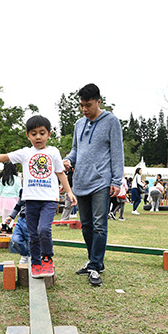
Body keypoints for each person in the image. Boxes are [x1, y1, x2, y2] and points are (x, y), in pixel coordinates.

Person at [0, 115, 76, 278]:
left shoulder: (53, 152)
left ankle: (47, 258)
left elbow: (60, 173)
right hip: (30, 200)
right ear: (28, 136)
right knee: (32, 234)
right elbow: (6, 157)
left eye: (42, 133)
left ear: (49, 134)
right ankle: (36, 262)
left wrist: (69, 192)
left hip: (49, 200)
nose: (38, 137)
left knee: (43, 229)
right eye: (33, 133)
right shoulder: (25, 153)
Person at [64, 83, 124, 287]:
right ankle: (94, 261)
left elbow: (117, 153)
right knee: (87, 224)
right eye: (81, 105)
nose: (84, 109)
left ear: (99, 102)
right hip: (80, 180)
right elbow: (75, 150)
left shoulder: (111, 122)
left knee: (100, 224)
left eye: (88, 105)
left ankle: (95, 265)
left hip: (101, 181)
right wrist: (68, 160)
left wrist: (116, 180)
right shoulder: (79, 124)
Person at [5, 188, 30, 264]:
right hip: (21, 220)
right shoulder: (23, 190)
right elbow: (18, 205)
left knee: (31, 242)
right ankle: (24, 254)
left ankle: (30, 257)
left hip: (32, 221)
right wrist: (11, 216)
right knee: (15, 240)